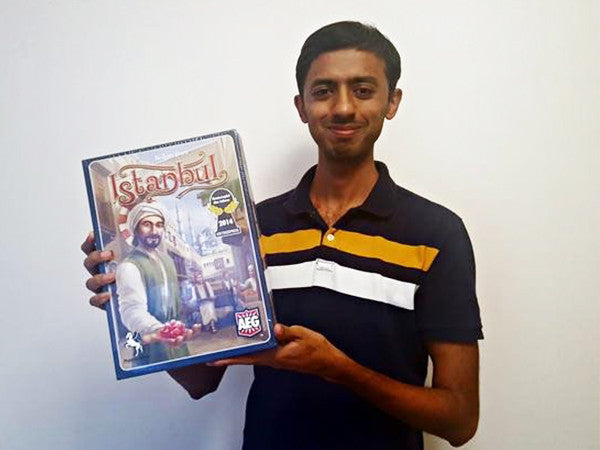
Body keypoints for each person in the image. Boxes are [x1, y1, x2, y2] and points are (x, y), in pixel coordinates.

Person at [83, 21, 482, 449]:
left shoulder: (436, 234)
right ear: (301, 106)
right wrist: (130, 305)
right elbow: (200, 382)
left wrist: (339, 369)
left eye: (363, 90)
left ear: (392, 101)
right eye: (324, 91)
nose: (343, 107)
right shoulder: (252, 230)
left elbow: (459, 421)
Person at [114, 202, 191, 363]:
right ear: (136, 229)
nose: (154, 231)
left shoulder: (167, 261)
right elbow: (131, 310)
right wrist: (160, 330)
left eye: (159, 225)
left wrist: (176, 330)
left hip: (177, 343)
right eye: (147, 224)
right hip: (151, 345)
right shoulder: (129, 266)